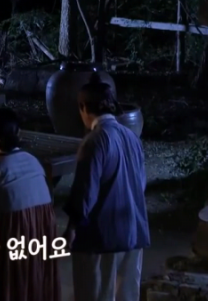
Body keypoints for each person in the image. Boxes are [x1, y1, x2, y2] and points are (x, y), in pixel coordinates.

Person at [63, 73, 150, 301]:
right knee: (126, 294)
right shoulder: (132, 137)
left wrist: (72, 228)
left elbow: (85, 192)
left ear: (83, 108)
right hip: (133, 229)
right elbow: (141, 183)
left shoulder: (94, 141)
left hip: (103, 235)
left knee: (98, 294)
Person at [0, 108, 60, 301]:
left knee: (12, 279)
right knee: (37, 274)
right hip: (44, 222)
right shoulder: (33, 160)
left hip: (14, 225)